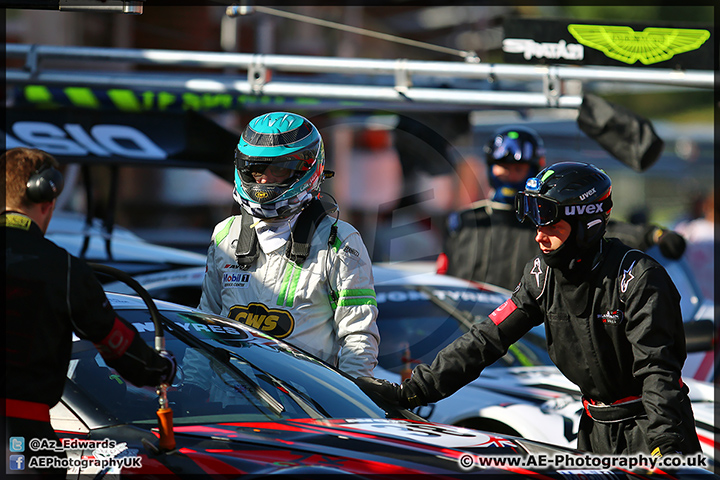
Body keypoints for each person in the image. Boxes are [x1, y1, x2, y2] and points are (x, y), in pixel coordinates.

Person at [358, 162, 701, 457]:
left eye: (551, 225)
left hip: (653, 430)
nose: (539, 236)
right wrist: (414, 390)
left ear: (587, 224)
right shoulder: (542, 275)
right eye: (537, 225)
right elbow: (485, 339)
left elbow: (658, 373)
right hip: (594, 430)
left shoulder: (639, 278)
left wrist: (667, 448)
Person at [3, 148, 176, 477]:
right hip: (22, 440)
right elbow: (117, 344)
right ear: (47, 196)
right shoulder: (63, 268)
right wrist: (160, 369)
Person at [197, 112, 380, 378]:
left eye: (278, 169)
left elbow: (358, 338)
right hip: (231, 398)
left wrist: (346, 402)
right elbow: (205, 323)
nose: (262, 180)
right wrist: (196, 385)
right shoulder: (225, 234)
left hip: (303, 406)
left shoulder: (341, 240)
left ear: (307, 169)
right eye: (256, 169)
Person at [438, 126, 687, 291]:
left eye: (518, 169)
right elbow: (443, 279)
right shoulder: (466, 220)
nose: (510, 175)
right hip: (471, 327)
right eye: (503, 167)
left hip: (530, 333)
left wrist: (655, 235)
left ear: (534, 168)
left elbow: (601, 229)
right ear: (490, 167)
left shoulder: (546, 215)